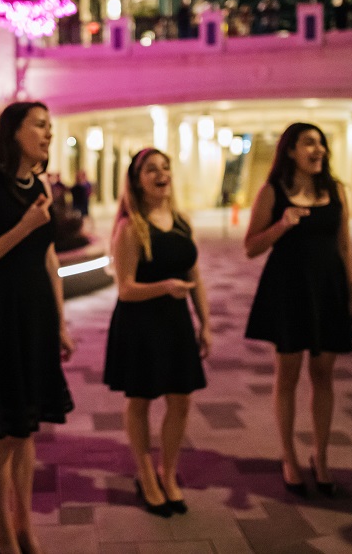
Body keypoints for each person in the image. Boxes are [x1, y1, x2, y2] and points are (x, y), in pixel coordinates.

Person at [0, 101, 75, 554]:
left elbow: (49, 260)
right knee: (4, 432)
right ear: (14, 132)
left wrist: (60, 323)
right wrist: (24, 226)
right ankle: (2, 532)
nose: (48, 133)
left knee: (27, 430)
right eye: (40, 125)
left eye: (50, 125)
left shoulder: (40, 185)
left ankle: (25, 525)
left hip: (36, 317)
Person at [243, 122, 352, 498]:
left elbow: (344, 245)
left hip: (328, 290)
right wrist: (282, 225)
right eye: (309, 142)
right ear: (290, 151)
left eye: (321, 143)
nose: (318, 149)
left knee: (323, 374)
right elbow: (251, 246)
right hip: (288, 291)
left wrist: (350, 293)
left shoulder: (335, 190)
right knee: (287, 374)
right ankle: (288, 455)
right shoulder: (272, 191)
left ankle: (320, 456)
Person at [103, 148, 211, 517]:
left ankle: (168, 471)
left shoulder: (181, 222)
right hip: (140, 324)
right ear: (137, 181)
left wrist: (206, 322)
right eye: (151, 169)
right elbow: (125, 289)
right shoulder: (131, 227)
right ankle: (146, 474)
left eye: (165, 167)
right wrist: (165, 287)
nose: (161, 174)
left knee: (181, 400)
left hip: (177, 322)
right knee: (141, 400)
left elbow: (195, 277)